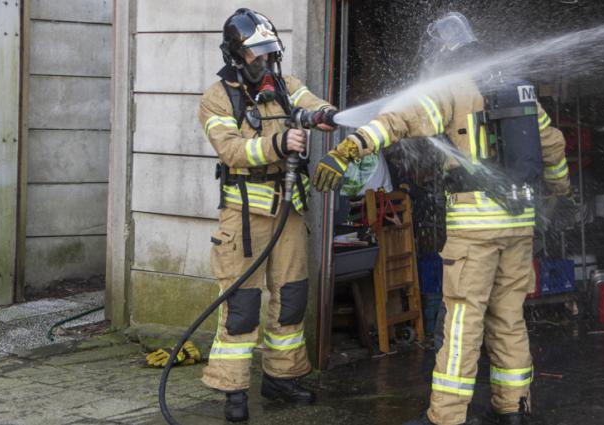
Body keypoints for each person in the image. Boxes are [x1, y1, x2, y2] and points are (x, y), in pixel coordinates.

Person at [312, 12, 571, 425]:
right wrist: (560, 191)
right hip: (518, 223)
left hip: (475, 226)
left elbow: (399, 120)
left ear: (444, 52)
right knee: (508, 317)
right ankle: (514, 410)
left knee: (463, 321)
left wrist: (351, 147)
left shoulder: (452, 87)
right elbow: (553, 144)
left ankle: (446, 418)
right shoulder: (517, 88)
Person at [198, 8, 336, 423]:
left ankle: (282, 377)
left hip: (289, 212)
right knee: (241, 305)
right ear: (237, 54)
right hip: (243, 217)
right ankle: (233, 389)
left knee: (291, 298)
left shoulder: (286, 86)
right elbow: (232, 150)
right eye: (256, 53)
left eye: (268, 51)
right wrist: (279, 143)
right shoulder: (217, 97)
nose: (264, 60)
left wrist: (324, 114)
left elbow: (313, 103)